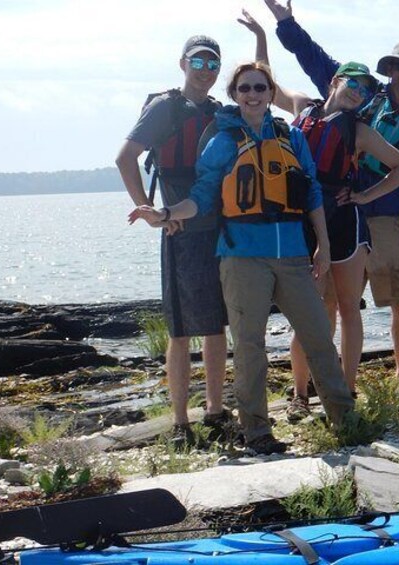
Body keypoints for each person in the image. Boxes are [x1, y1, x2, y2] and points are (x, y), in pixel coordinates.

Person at [129, 62, 356, 455]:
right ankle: (257, 432)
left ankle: (345, 420)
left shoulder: (291, 137)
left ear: (270, 93)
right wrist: (164, 214)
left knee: (318, 335)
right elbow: (201, 198)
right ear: (235, 95)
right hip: (242, 257)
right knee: (250, 346)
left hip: (293, 256)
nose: (253, 94)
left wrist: (323, 244)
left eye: (260, 88)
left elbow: (312, 193)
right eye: (245, 88)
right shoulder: (221, 141)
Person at [238, 12, 399, 419]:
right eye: (352, 82)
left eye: (366, 90)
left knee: (349, 309)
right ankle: (300, 394)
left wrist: (367, 194)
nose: (358, 92)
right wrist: (265, 33)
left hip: (343, 221)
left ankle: (345, 392)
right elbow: (266, 83)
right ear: (335, 82)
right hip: (302, 220)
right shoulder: (302, 107)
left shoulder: (360, 132)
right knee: (309, 312)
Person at [262, 0, 399, 391]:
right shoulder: (365, 94)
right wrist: (284, 22)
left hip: (390, 212)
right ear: (389, 70)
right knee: (332, 299)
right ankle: (321, 381)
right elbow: (312, 57)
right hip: (342, 212)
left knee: (397, 295)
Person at [116, 35, 229, 449]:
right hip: (180, 228)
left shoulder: (219, 112)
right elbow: (125, 157)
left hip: (220, 228)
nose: (206, 69)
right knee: (181, 331)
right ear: (182, 63)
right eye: (199, 60)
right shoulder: (165, 107)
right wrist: (148, 210)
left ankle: (216, 412)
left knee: (217, 327)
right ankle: (181, 423)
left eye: (213, 62)